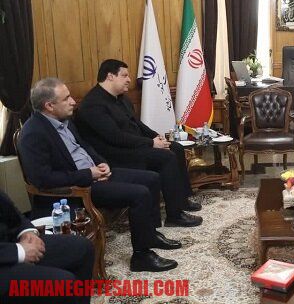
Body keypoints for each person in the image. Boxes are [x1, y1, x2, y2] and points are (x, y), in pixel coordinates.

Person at [18, 78, 182, 272]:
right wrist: (89, 174)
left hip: (96, 173)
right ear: (49, 106)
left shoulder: (64, 121)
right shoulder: (33, 133)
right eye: (66, 98)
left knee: (152, 178)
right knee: (140, 194)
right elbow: (43, 179)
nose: (73, 102)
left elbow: (85, 147)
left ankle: (149, 235)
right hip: (80, 187)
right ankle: (141, 257)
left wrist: (101, 163)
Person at [75, 59, 202, 228]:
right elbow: (115, 137)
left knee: (175, 147)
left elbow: (137, 124)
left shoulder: (121, 98)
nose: (129, 79)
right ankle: (174, 215)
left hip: (132, 146)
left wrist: (156, 137)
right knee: (166, 157)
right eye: (124, 75)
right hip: (114, 154)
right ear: (110, 76)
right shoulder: (92, 105)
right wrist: (150, 143)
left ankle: (181, 200)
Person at [0, 190, 93, 304]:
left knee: (83, 248)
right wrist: (19, 252)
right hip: (5, 258)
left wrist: (27, 231)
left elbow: (10, 209)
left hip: (10, 242)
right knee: (64, 284)